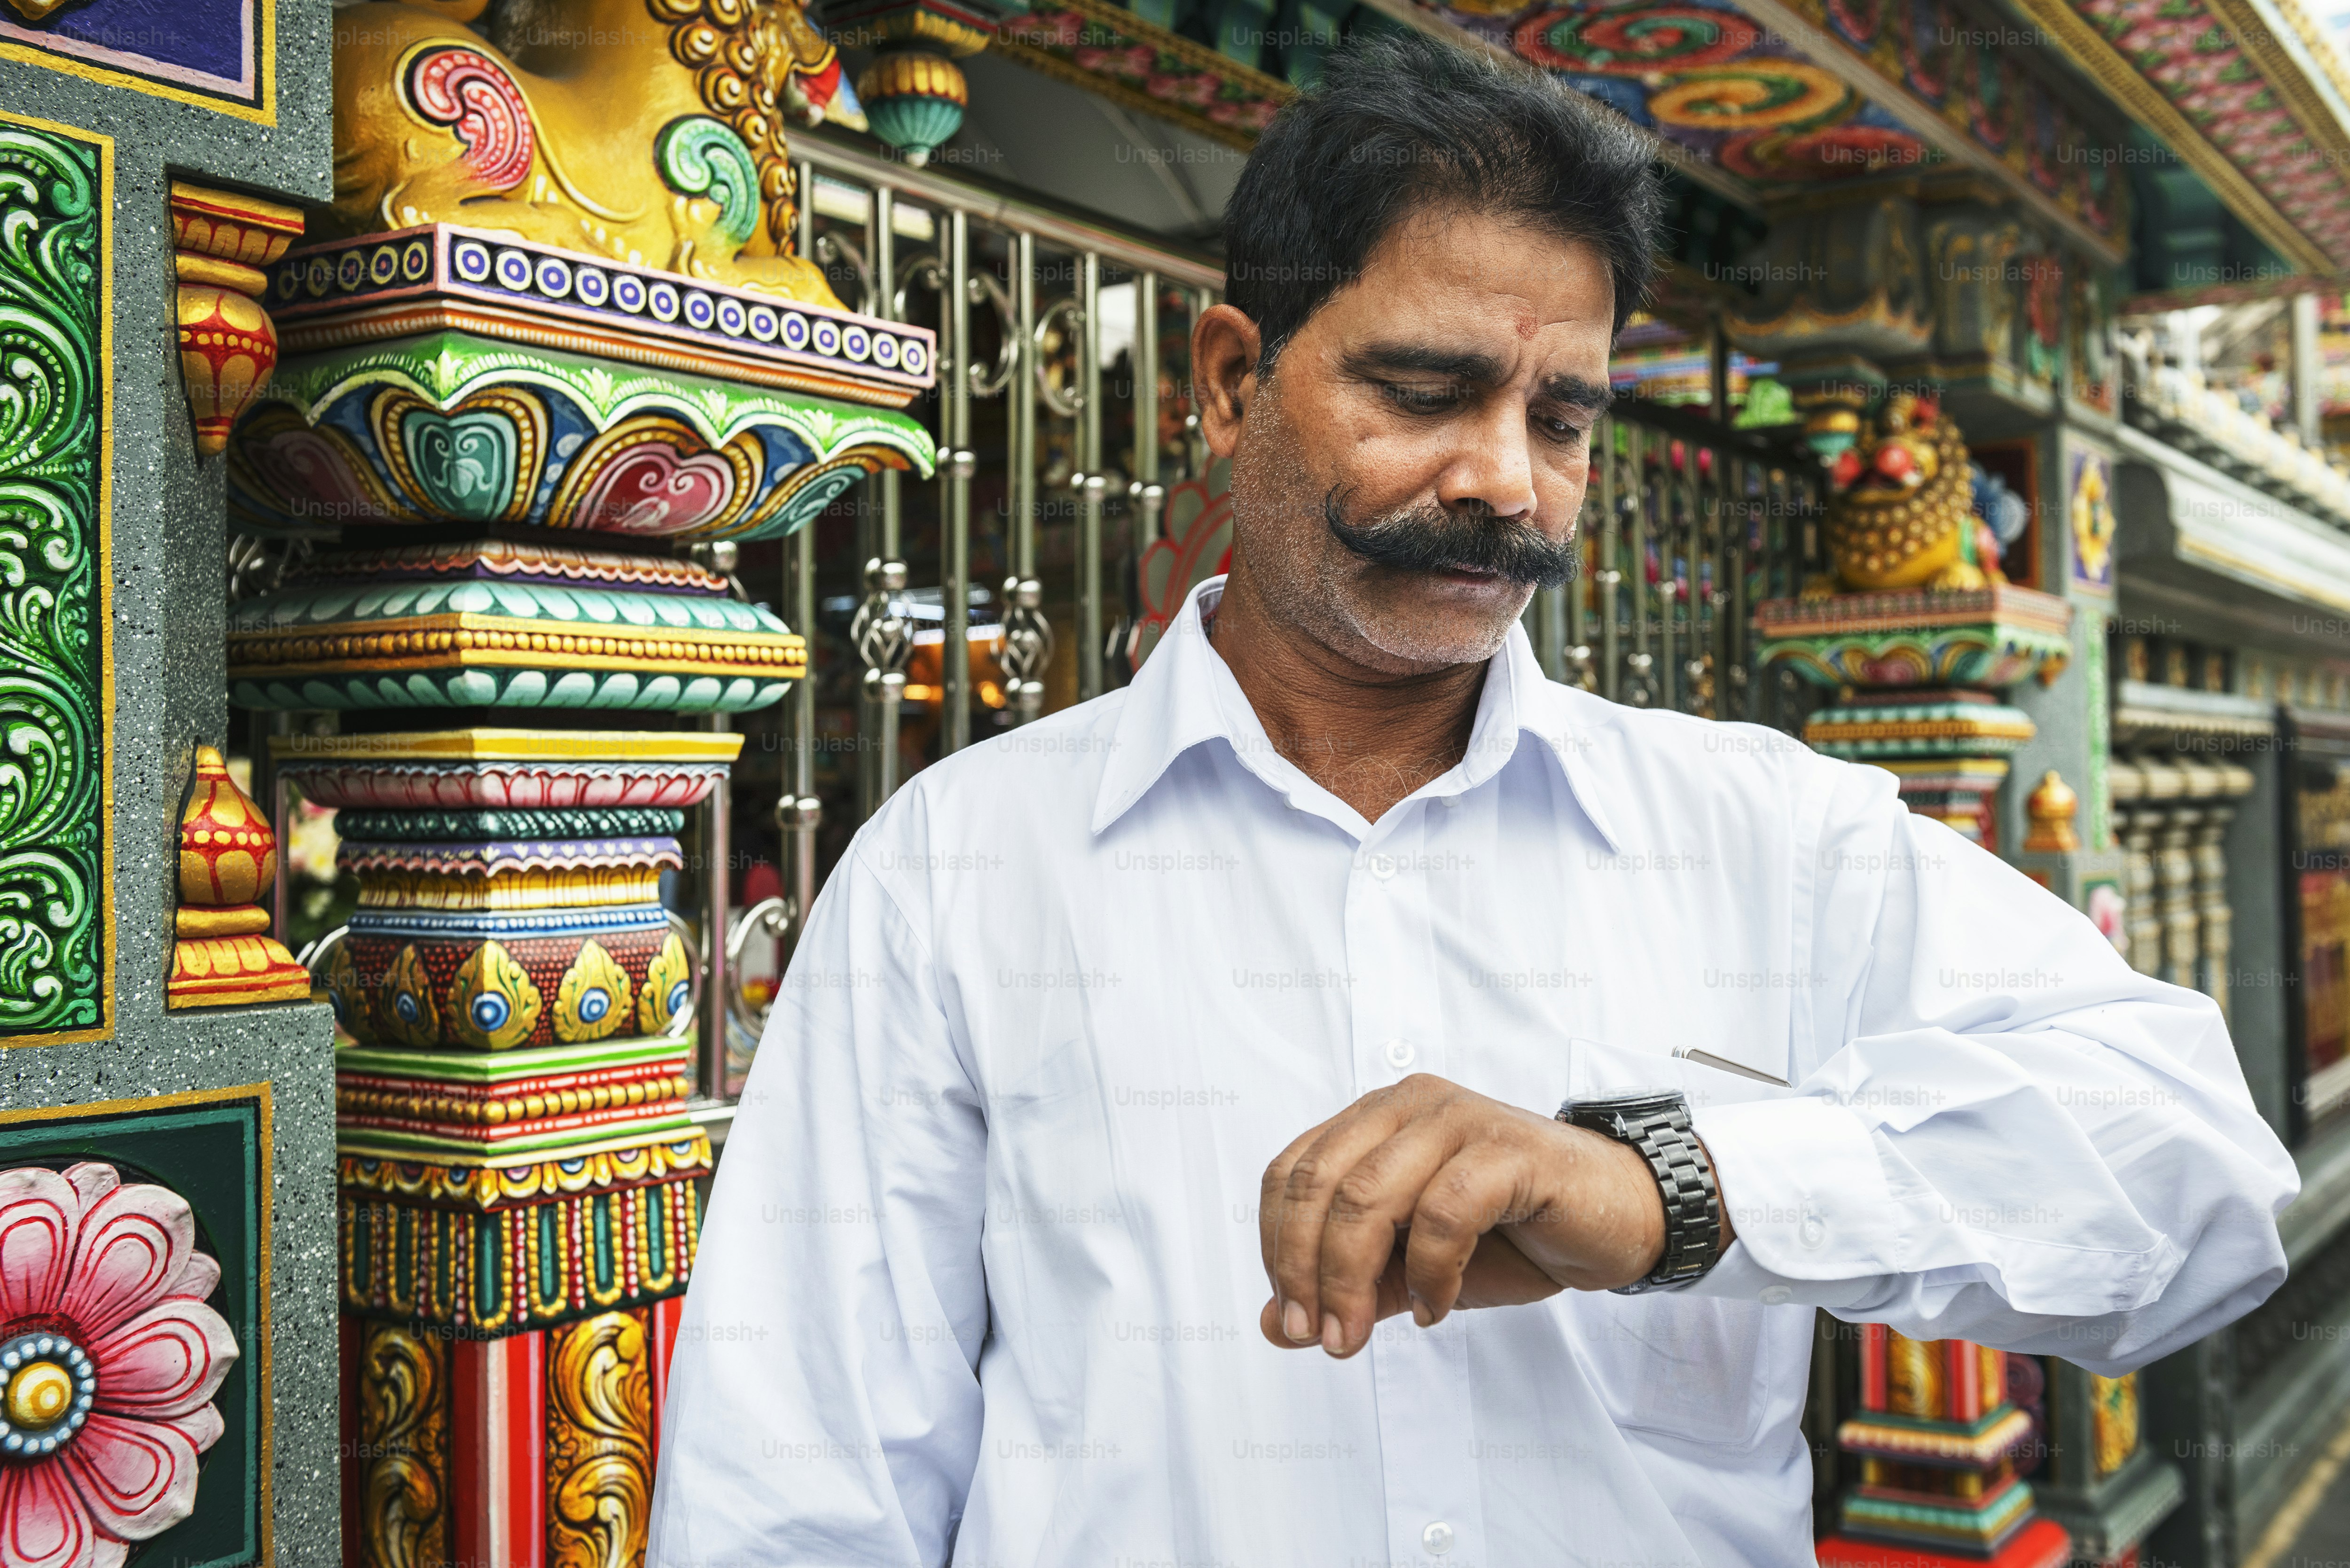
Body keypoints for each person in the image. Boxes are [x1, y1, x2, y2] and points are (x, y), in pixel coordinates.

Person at [647, 31, 2296, 1568]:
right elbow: (797, 1488)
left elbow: (2201, 1178)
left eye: (1559, 416)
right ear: (1229, 382)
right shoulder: (960, 870)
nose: (1506, 480)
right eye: (1428, 392)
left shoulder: (1764, 838)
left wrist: (1680, 1185)